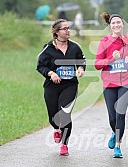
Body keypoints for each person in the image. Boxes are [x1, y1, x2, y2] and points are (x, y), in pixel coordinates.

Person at [95, 12, 128, 158]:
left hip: (126, 82)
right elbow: (97, 64)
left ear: (122, 24)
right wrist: (111, 59)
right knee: (112, 117)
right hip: (109, 83)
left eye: (118, 23)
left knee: (120, 113)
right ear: (110, 26)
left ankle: (118, 146)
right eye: (113, 23)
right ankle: (115, 132)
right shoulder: (104, 42)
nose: (116, 25)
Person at [36, 19, 86, 156]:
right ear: (57, 32)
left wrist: (81, 68)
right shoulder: (48, 48)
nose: (68, 30)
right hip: (52, 87)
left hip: (70, 85)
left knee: (64, 114)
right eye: (65, 28)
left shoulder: (75, 47)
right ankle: (56, 129)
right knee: (53, 117)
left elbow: (82, 60)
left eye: (68, 28)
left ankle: (64, 144)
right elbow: (40, 66)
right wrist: (50, 73)